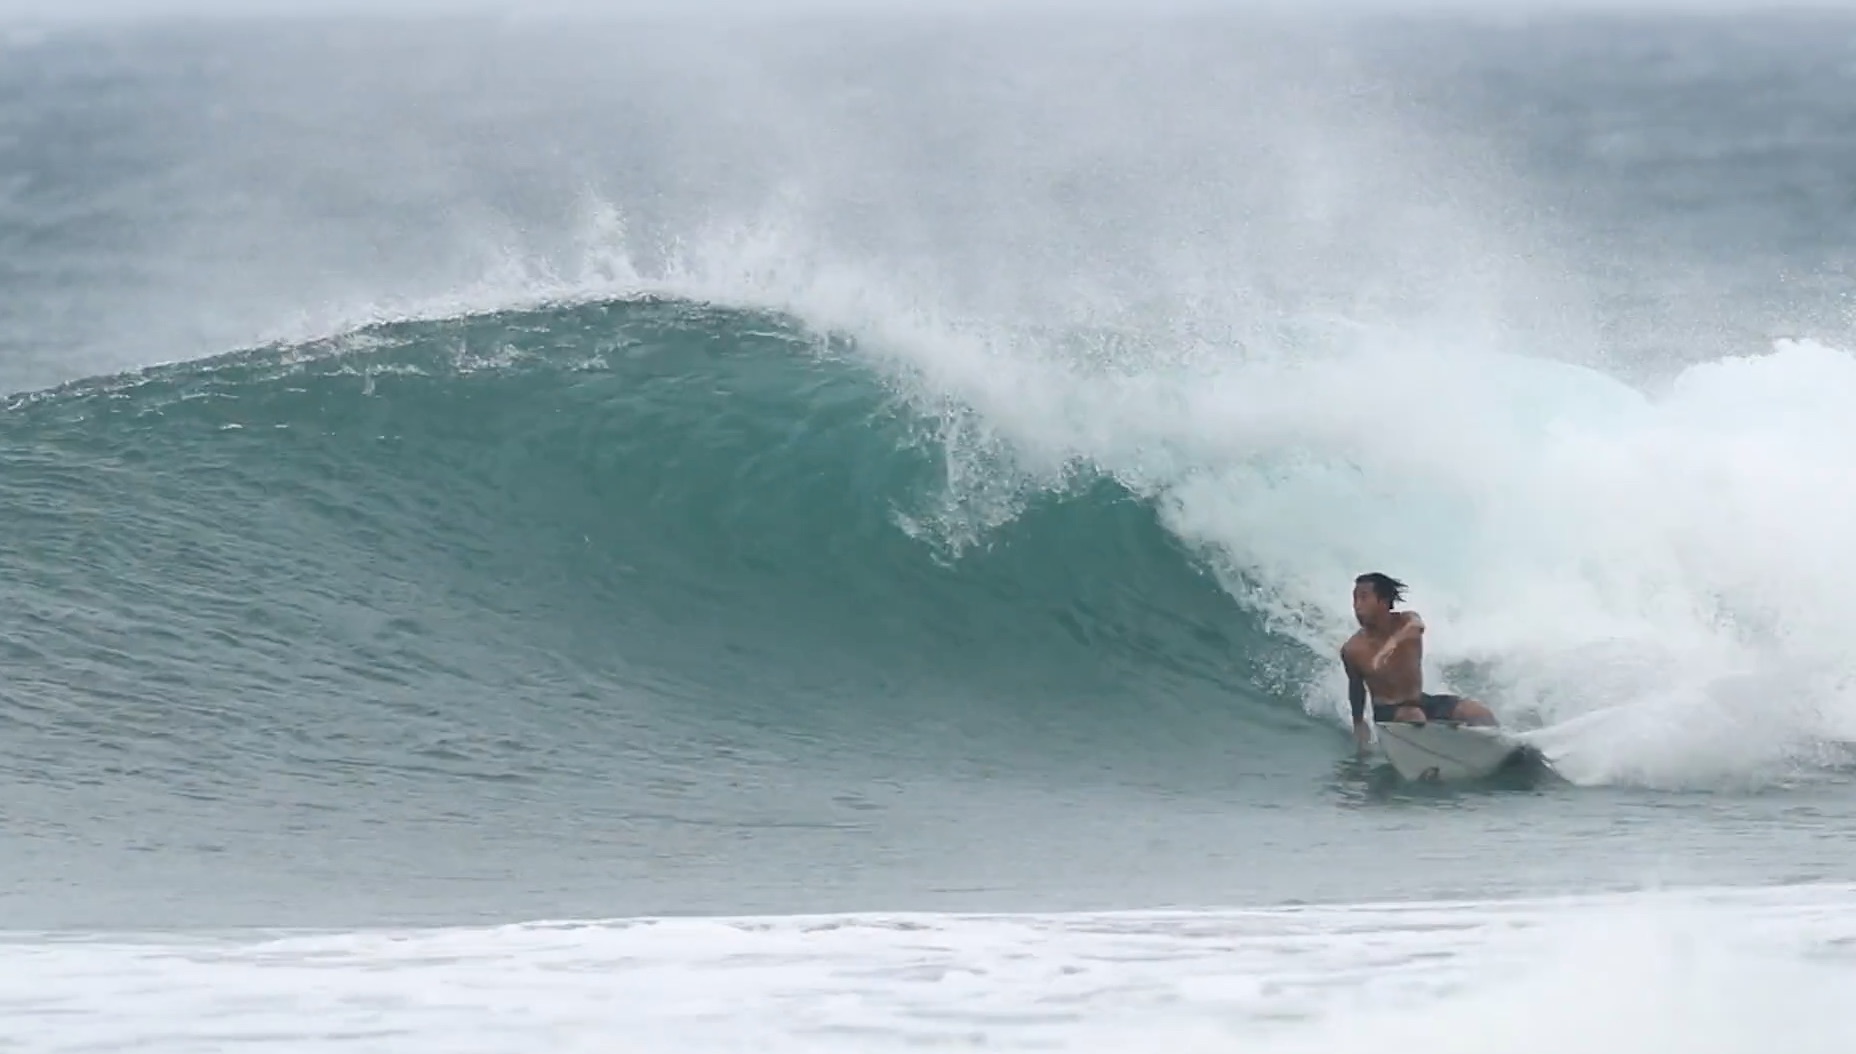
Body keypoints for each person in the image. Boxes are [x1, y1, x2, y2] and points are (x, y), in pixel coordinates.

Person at [1341, 572, 1496, 749]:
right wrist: (1359, 724)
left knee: (1478, 713)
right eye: (1355, 600)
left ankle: (1501, 750)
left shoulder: (1407, 621)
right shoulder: (1352, 649)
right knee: (1415, 717)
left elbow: (1417, 626)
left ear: (1383, 601)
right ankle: (1437, 755)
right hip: (1389, 714)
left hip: (1420, 701)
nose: (1357, 606)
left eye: (1363, 598)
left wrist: (1390, 645)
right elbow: (1356, 689)